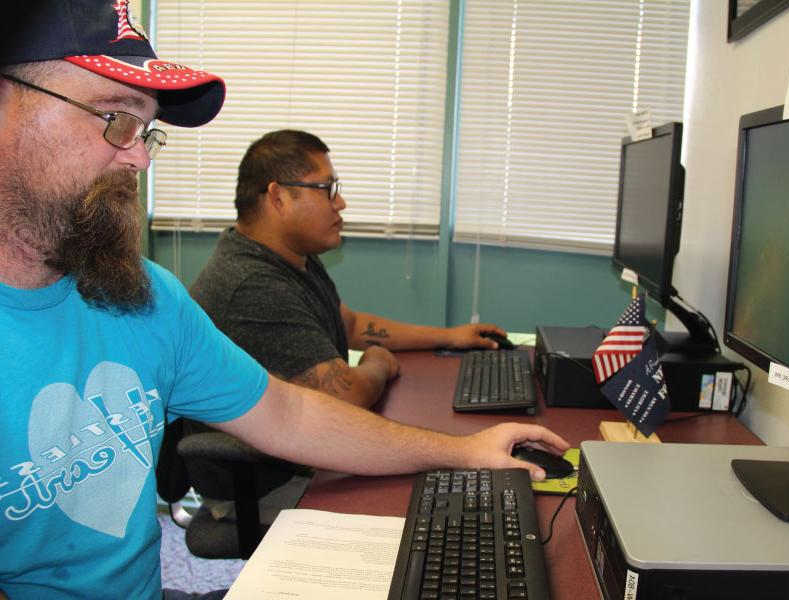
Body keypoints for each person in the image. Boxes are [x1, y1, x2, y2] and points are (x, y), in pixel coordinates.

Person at [0, 2, 569, 600]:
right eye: (115, 117)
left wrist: (463, 453)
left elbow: (289, 414)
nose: (140, 156)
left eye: (147, 131)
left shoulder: (143, 296)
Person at [191, 130, 509, 409]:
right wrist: (378, 361)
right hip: (276, 474)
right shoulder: (253, 284)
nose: (340, 202)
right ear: (279, 197)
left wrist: (449, 337)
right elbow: (347, 395)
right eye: (328, 188)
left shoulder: (289, 255)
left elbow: (351, 325)